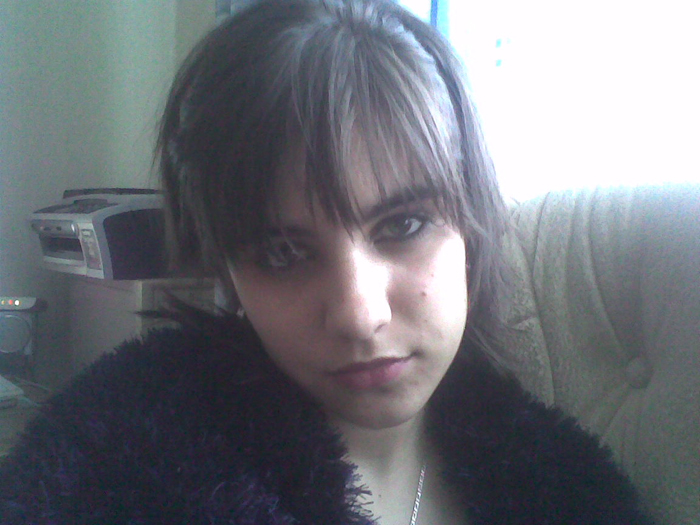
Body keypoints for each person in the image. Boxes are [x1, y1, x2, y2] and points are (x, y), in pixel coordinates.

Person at [0, 0, 651, 523]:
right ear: (230, 274)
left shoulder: (568, 489)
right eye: (283, 252)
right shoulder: (109, 469)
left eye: (403, 225)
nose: (359, 315)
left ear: (472, 230)